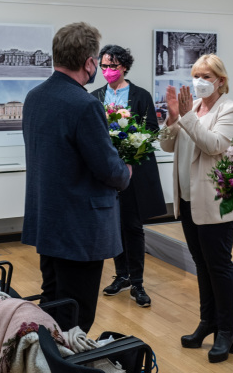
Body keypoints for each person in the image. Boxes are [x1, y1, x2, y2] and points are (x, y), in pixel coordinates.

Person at [22, 22, 132, 333]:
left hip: (48, 220)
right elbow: (109, 170)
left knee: (53, 304)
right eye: (97, 59)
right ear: (89, 63)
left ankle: (46, 362)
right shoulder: (84, 105)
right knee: (77, 318)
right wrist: (126, 171)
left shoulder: (34, 97)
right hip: (80, 230)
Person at [159, 54, 233, 364]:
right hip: (188, 200)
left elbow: (214, 145)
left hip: (217, 202)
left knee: (218, 266)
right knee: (202, 263)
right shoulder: (190, 109)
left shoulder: (231, 110)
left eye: (207, 76)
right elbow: (167, 146)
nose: (199, 81)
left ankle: (227, 331)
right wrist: (171, 118)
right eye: (196, 75)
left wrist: (186, 116)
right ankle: (208, 322)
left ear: (221, 80)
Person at [91, 44, 167, 307]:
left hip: (133, 171)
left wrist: (131, 145)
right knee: (113, 225)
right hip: (107, 173)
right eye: (104, 66)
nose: (108, 71)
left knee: (133, 226)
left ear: (124, 66)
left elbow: (152, 130)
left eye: (113, 66)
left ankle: (137, 282)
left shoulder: (141, 95)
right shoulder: (95, 95)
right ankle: (121, 275)